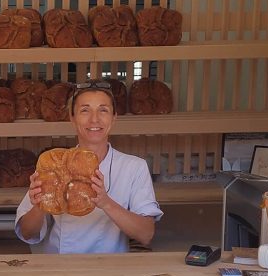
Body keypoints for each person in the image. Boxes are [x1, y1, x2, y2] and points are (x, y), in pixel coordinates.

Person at [15, 82, 162, 253]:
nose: (94, 119)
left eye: (103, 110)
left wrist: (105, 203)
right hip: (58, 269)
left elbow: (146, 234)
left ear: (114, 118)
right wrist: (40, 205)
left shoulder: (134, 167)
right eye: (85, 110)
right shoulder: (54, 163)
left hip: (109, 270)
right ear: (72, 118)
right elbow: (27, 233)